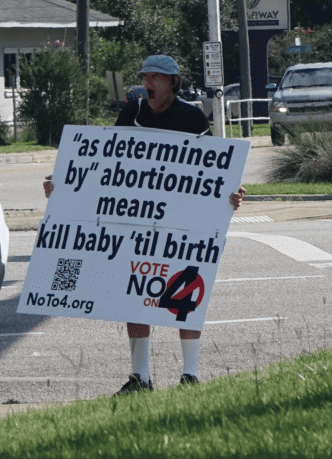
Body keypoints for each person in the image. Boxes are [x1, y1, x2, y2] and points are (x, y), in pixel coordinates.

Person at [43, 54, 245, 395]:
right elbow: (107, 163)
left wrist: (231, 195)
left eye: (156, 77)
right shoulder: (132, 113)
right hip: (137, 222)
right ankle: (141, 377)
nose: (148, 82)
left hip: (181, 221)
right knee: (135, 294)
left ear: (173, 83)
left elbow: (215, 171)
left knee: (185, 293)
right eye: (144, 76)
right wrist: (63, 187)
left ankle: (190, 376)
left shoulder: (192, 117)